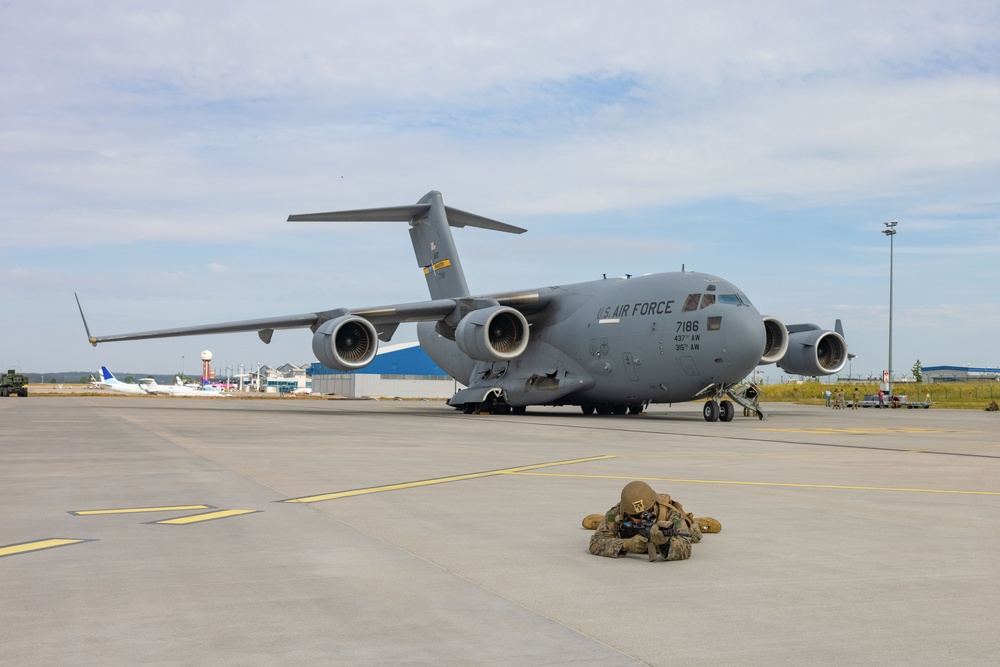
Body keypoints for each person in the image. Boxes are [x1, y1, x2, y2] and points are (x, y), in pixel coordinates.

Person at [584, 481, 720, 561]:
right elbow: (595, 543)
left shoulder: (670, 514)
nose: (642, 519)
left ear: (654, 505)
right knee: (612, 521)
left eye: (647, 514)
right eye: (636, 516)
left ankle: (693, 522)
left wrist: (665, 543)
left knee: (694, 535)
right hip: (619, 521)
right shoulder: (617, 512)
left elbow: (686, 546)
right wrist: (626, 544)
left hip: (672, 524)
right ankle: (603, 522)